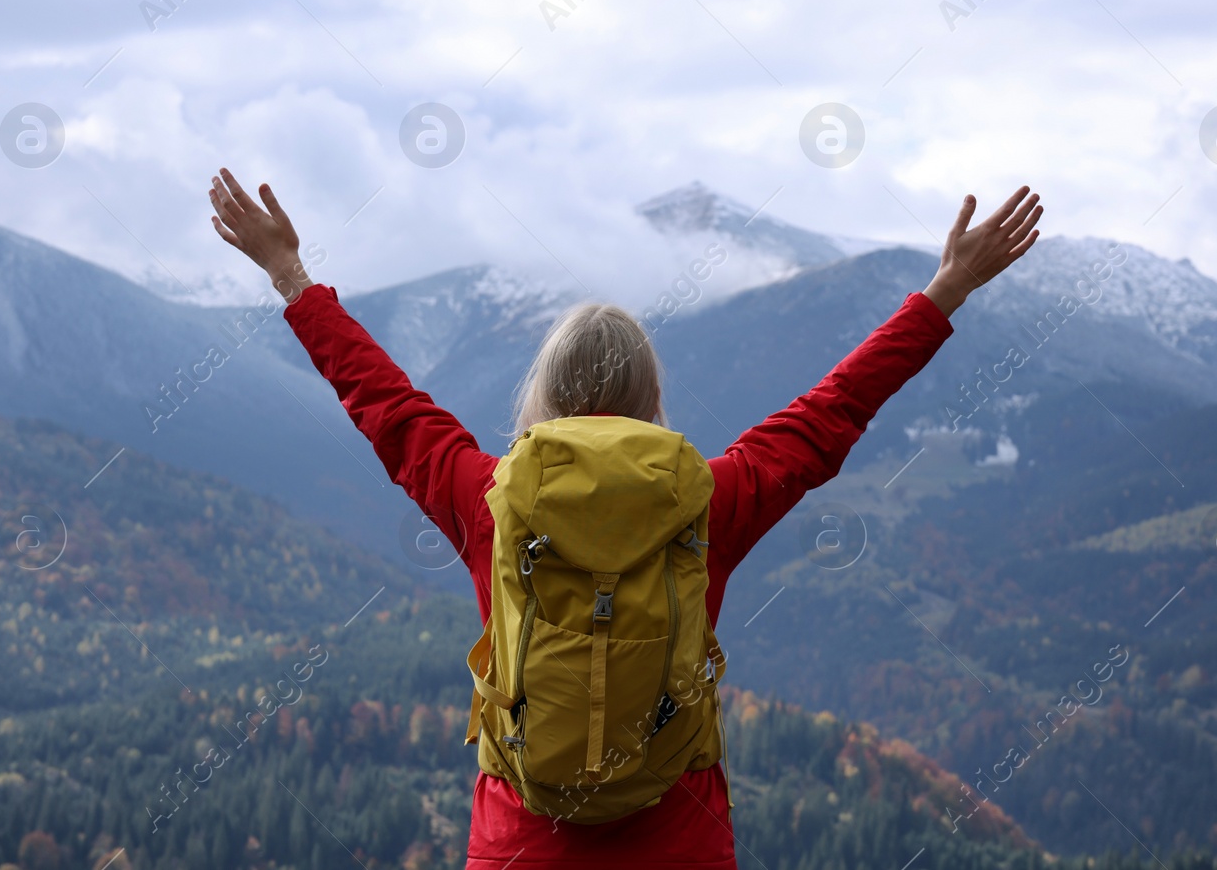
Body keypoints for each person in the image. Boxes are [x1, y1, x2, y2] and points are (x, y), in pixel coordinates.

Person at [208, 168, 1042, 870]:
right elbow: (834, 409)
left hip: (519, 845)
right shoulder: (710, 498)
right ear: (651, 401)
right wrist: (948, 289)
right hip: (679, 839)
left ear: (541, 396)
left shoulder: (487, 496)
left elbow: (382, 400)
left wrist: (289, 274)